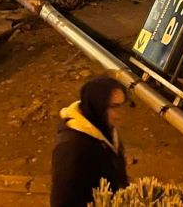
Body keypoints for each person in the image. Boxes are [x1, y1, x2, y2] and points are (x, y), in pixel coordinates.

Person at [51, 77, 129, 207]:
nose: (122, 113)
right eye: (115, 107)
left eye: (123, 105)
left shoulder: (106, 130)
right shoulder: (72, 147)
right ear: (98, 106)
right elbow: (62, 202)